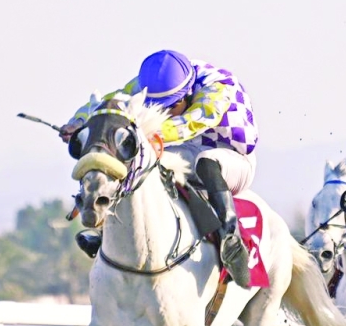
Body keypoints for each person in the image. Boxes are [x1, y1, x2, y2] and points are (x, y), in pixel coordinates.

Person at [60, 50, 256, 288]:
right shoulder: (146, 85)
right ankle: (105, 234)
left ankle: (231, 242)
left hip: (231, 157)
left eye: (167, 107)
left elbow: (192, 123)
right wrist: (78, 122)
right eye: (155, 107)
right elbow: (107, 105)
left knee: (205, 161)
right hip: (185, 150)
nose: (160, 112)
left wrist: (143, 131)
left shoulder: (218, 88)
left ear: (187, 96)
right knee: (142, 165)